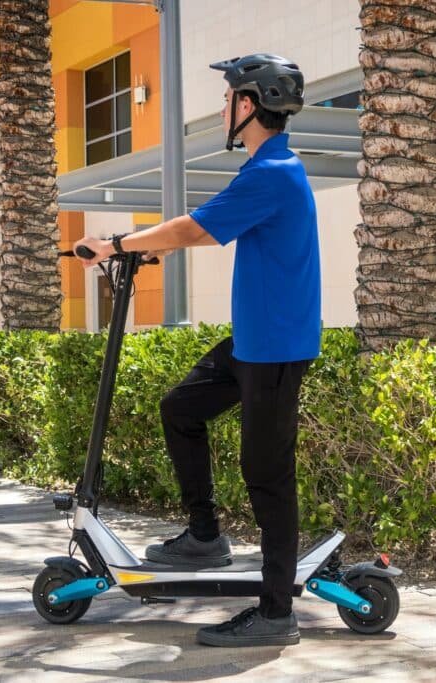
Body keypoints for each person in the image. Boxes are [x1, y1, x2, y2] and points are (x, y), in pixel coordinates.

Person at [73, 53, 320, 648]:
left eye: (229, 97)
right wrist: (146, 249)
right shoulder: (269, 168)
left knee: (267, 475)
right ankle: (205, 535)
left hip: (277, 349)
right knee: (181, 408)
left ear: (249, 104)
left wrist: (117, 242)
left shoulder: (274, 171)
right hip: (255, 340)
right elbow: (211, 226)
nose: (222, 108)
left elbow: (196, 228)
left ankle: (276, 612)